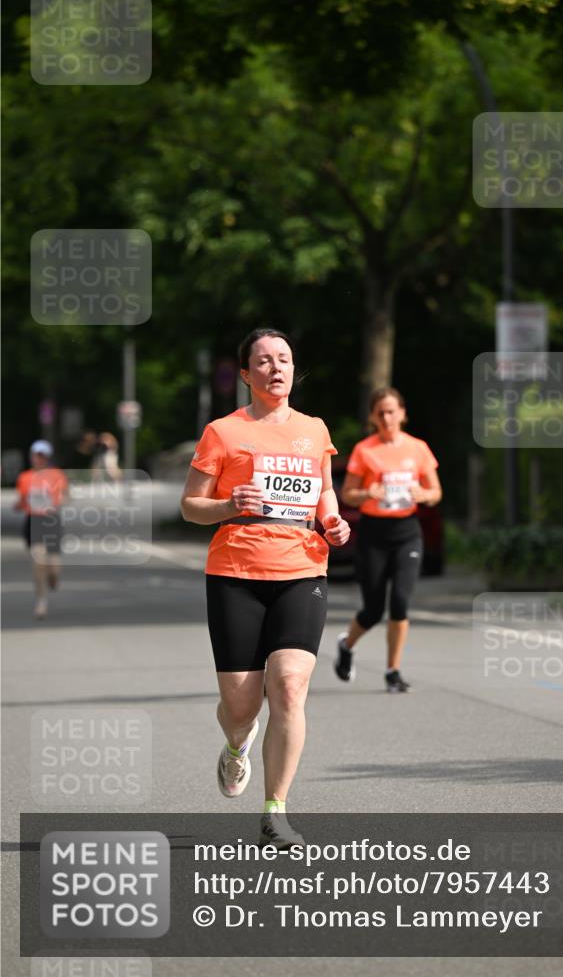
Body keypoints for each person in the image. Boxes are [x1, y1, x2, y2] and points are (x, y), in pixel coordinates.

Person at [180, 328, 350, 848]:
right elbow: (191, 505)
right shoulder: (223, 432)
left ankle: (275, 810)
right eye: (265, 361)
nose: (277, 368)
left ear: (294, 370)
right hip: (236, 573)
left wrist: (334, 520)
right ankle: (238, 745)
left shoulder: (314, 430)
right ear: (247, 374)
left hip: (302, 567)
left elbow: (323, 491)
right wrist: (231, 505)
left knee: (290, 685)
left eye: (285, 359)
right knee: (240, 706)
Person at [334, 388, 442, 692]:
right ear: (372, 417)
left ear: (403, 414)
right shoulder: (364, 450)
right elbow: (348, 494)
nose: (386, 418)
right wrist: (367, 493)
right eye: (380, 412)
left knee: (400, 603)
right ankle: (347, 644)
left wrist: (425, 495)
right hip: (374, 534)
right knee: (372, 610)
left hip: (407, 533)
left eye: (391, 411)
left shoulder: (418, 448)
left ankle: (392, 670)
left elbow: (435, 491)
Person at [14, 440, 69, 620]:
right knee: (38, 563)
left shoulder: (57, 475)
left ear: (48, 457)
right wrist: (19, 505)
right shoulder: (24, 477)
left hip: (51, 522)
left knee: (53, 569)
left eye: (42, 455)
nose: (39, 459)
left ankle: (53, 579)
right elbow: (21, 501)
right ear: (31, 456)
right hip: (33, 521)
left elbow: (66, 496)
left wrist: (58, 503)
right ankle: (41, 602)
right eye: (36, 455)